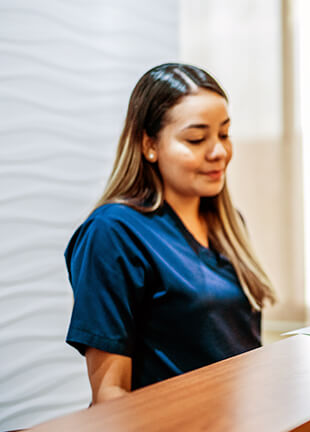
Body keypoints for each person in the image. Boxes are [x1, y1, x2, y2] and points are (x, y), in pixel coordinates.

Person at [65, 63, 275, 404]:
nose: (218, 152)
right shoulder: (112, 233)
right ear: (149, 144)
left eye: (224, 134)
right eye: (196, 138)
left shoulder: (230, 225)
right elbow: (110, 395)